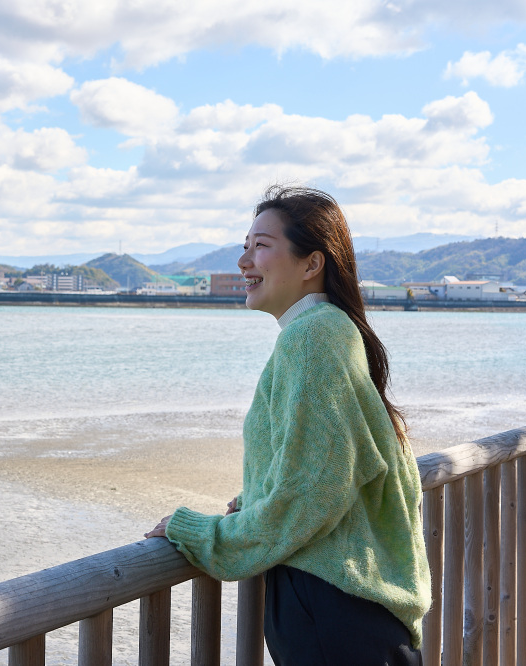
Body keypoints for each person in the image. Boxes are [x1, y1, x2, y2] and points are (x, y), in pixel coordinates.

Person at [145, 185, 431, 665]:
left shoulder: (314, 338)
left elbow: (311, 489)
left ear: (311, 264)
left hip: (332, 609)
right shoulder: (331, 331)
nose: (243, 262)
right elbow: (333, 463)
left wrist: (196, 532)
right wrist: (255, 496)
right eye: (245, 247)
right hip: (352, 608)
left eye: (260, 246)